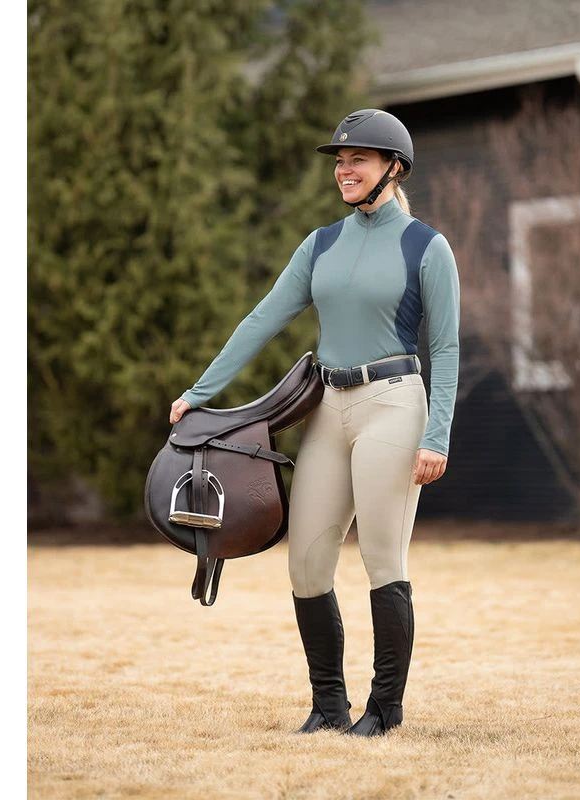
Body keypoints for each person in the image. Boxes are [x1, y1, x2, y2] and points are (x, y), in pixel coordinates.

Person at [169, 109, 460, 737]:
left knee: (382, 559)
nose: (344, 170)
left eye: (359, 160)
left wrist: (436, 436)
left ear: (394, 167)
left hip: (393, 404)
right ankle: (329, 706)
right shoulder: (322, 244)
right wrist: (200, 392)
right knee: (305, 562)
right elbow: (262, 319)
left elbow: (446, 349)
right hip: (327, 408)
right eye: (340, 161)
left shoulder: (426, 247)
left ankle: (384, 709)